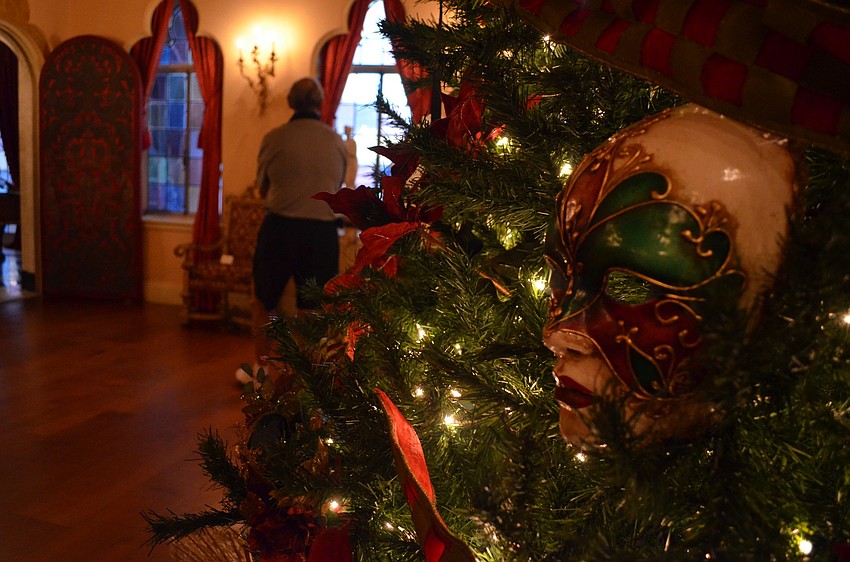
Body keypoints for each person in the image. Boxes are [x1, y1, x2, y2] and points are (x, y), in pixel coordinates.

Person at [237, 77, 347, 385]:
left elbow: (262, 188)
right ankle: (307, 376)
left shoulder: (274, 138)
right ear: (320, 103)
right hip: (323, 233)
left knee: (264, 300)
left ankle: (261, 372)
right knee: (312, 308)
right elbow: (337, 188)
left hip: (281, 228)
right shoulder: (336, 141)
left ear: (289, 102)